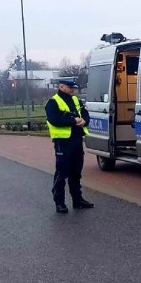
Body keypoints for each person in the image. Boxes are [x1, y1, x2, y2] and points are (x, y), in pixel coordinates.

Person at [45, 78, 94, 213]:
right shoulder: (53, 102)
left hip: (76, 140)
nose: (73, 89)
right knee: (62, 173)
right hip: (63, 142)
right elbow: (54, 119)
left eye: (73, 87)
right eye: (69, 87)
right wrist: (73, 121)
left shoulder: (75, 100)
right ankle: (59, 203)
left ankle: (77, 200)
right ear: (61, 87)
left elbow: (84, 113)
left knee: (76, 172)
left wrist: (84, 121)